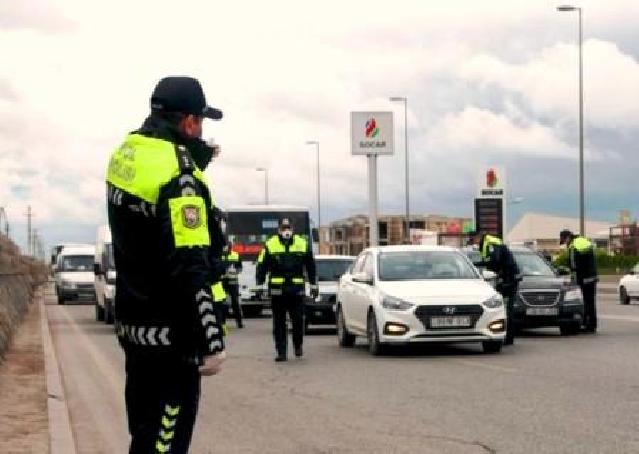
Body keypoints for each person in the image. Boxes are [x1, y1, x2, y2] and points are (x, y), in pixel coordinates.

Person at [106, 76, 227, 453]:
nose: (202, 131)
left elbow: (145, 226)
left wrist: (195, 157)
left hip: (134, 326)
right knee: (165, 442)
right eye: (201, 122)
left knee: (143, 432)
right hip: (173, 337)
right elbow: (189, 263)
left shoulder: (126, 152)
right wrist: (210, 339)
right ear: (189, 122)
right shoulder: (180, 177)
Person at [256, 218, 317, 361]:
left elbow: (310, 266)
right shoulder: (270, 244)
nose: (286, 231)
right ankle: (281, 352)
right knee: (279, 323)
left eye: (288, 228)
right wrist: (259, 285)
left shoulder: (302, 243)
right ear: (278, 230)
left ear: (293, 229)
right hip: (278, 291)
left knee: (297, 321)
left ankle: (298, 345)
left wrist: (314, 284)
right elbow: (262, 265)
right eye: (283, 228)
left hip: (296, 290)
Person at [470, 231, 520, 345]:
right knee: (503, 308)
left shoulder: (491, 242)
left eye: (473, 240)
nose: (474, 243)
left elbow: (494, 261)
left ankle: (508, 338)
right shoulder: (485, 243)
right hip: (502, 278)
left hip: (508, 279)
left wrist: (476, 264)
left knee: (506, 309)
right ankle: (506, 336)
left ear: (479, 237)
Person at [560, 230, 598, 333]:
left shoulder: (573, 246)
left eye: (564, 241)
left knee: (583, 302)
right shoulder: (584, 241)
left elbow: (574, 267)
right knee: (591, 302)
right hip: (592, 277)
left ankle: (585, 324)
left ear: (567, 238)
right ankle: (592, 325)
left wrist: (574, 283)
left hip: (583, 279)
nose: (565, 244)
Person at [222, 241, 244, 328]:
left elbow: (240, 267)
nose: (225, 248)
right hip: (222, 282)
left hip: (233, 282)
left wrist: (235, 271)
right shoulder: (219, 255)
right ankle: (222, 322)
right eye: (224, 246)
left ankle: (239, 323)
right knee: (223, 303)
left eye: (227, 246)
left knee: (235, 302)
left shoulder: (235, 255)